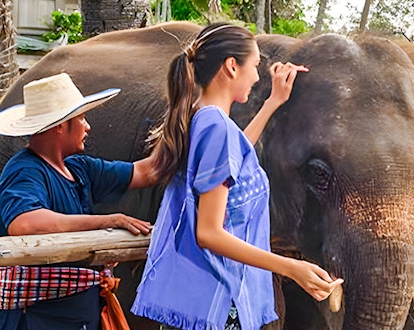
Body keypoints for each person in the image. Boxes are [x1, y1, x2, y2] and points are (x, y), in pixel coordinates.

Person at [131, 23, 342, 329]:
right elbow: (208, 232)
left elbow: (234, 153)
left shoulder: (202, 117)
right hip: (218, 299)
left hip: (199, 301)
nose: (257, 77)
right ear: (231, 66)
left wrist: (272, 103)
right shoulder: (215, 127)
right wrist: (291, 267)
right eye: (255, 66)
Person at [0, 72, 158, 330]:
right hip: (36, 321)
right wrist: (105, 223)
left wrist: (187, 119)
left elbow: (147, 172)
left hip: (78, 318)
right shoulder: (24, 170)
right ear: (60, 125)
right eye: (81, 118)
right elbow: (24, 224)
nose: (87, 126)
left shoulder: (80, 169)